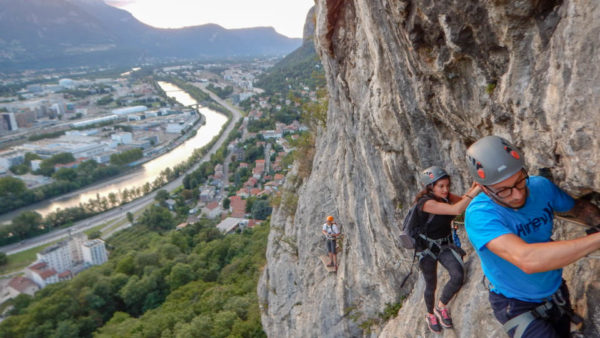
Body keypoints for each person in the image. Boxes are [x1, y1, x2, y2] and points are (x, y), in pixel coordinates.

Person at [464, 135, 600, 338]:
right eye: (503, 191)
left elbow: (579, 209)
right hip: (515, 303)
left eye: (520, 181)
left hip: (555, 290)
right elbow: (527, 260)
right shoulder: (480, 216)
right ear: (483, 188)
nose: (517, 195)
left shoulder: (540, 187)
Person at [414, 166, 481, 333]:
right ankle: (430, 314)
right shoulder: (426, 203)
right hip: (427, 249)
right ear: (430, 187)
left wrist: (475, 187)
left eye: (447, 186)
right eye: (441, 186)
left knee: (458, 275)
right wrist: (478, 188)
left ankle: (441, 306)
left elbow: (464, 202)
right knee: (431, 284)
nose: (445, 190)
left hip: (444, 245)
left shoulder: (445, 197)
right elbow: (456, 210)